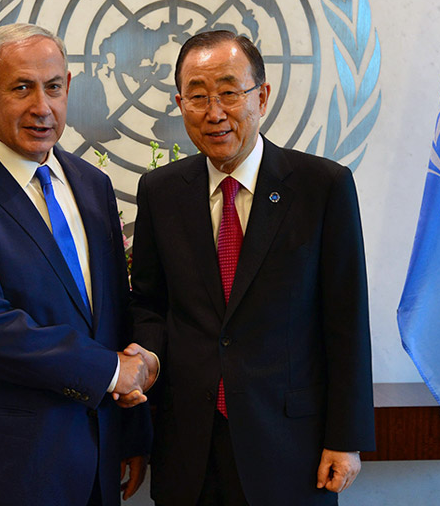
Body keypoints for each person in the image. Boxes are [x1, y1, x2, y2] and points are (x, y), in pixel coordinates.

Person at [0, 23, 153, 506]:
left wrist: (130, 434)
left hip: (95, 463)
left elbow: (113, 317)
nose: (43, 106)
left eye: (54, 87)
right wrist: (110, 372)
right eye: (22, 88)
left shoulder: (91, 185)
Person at [130, 29, 375, 505]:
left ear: (261, 96)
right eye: (197, 96)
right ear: (180, 104)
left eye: (228, 92)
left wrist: (346, 437)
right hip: (188, 444)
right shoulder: (161, 191)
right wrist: (147, 362)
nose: (214, 112)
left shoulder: (321, 187)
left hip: (291, 445)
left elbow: (346, 321)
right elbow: (150, 305)